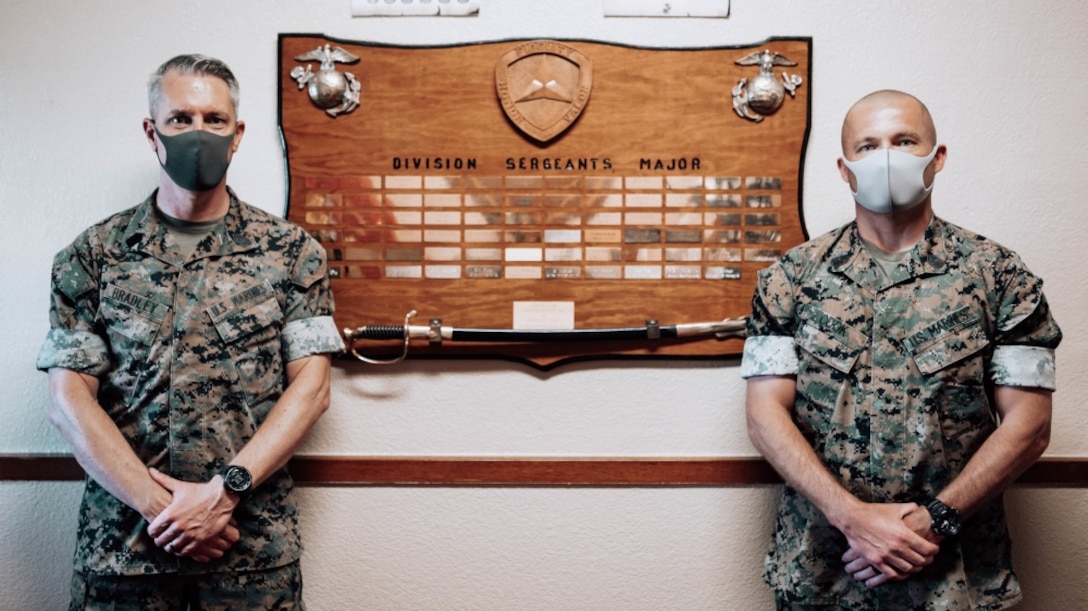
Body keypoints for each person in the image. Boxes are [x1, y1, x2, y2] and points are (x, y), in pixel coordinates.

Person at [36, 54, 344, 609]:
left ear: (237, 133)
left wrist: (223, 496)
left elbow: (312, 388)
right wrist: (167, 511)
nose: (197, 133)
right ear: (152, 131)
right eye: (180, 119)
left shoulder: (293, 254)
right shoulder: (93, 256)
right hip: (124, 551)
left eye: (213, 119)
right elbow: (67, 399)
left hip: (250, 553)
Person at [741, 90, 1062, 610]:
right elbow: (764, 414)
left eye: (904, 141)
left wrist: (933, 520)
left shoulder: (1001, 276)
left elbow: (1030, 426)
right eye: (867, 147)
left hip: (956, 578)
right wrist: (853, 519)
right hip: (825, 570)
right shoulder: (791, 278)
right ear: (845, 171)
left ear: (936, 158)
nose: (885, 157)